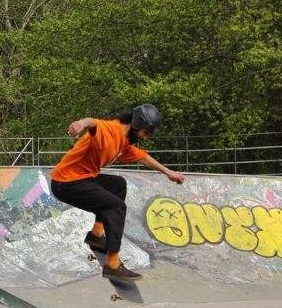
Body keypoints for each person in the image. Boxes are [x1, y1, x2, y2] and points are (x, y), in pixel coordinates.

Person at [50, 104, 184, 281]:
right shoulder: (111, 130)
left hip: (83, 178)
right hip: (66, 183)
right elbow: (93, 123)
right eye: (146, 133)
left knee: (118, 185)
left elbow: (143, 157)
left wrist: (168, 172)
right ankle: (113, 264)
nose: (145, 137)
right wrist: (80, 124)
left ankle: (97, 235)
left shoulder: (124, 142)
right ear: (137, 124)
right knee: (116, 206)